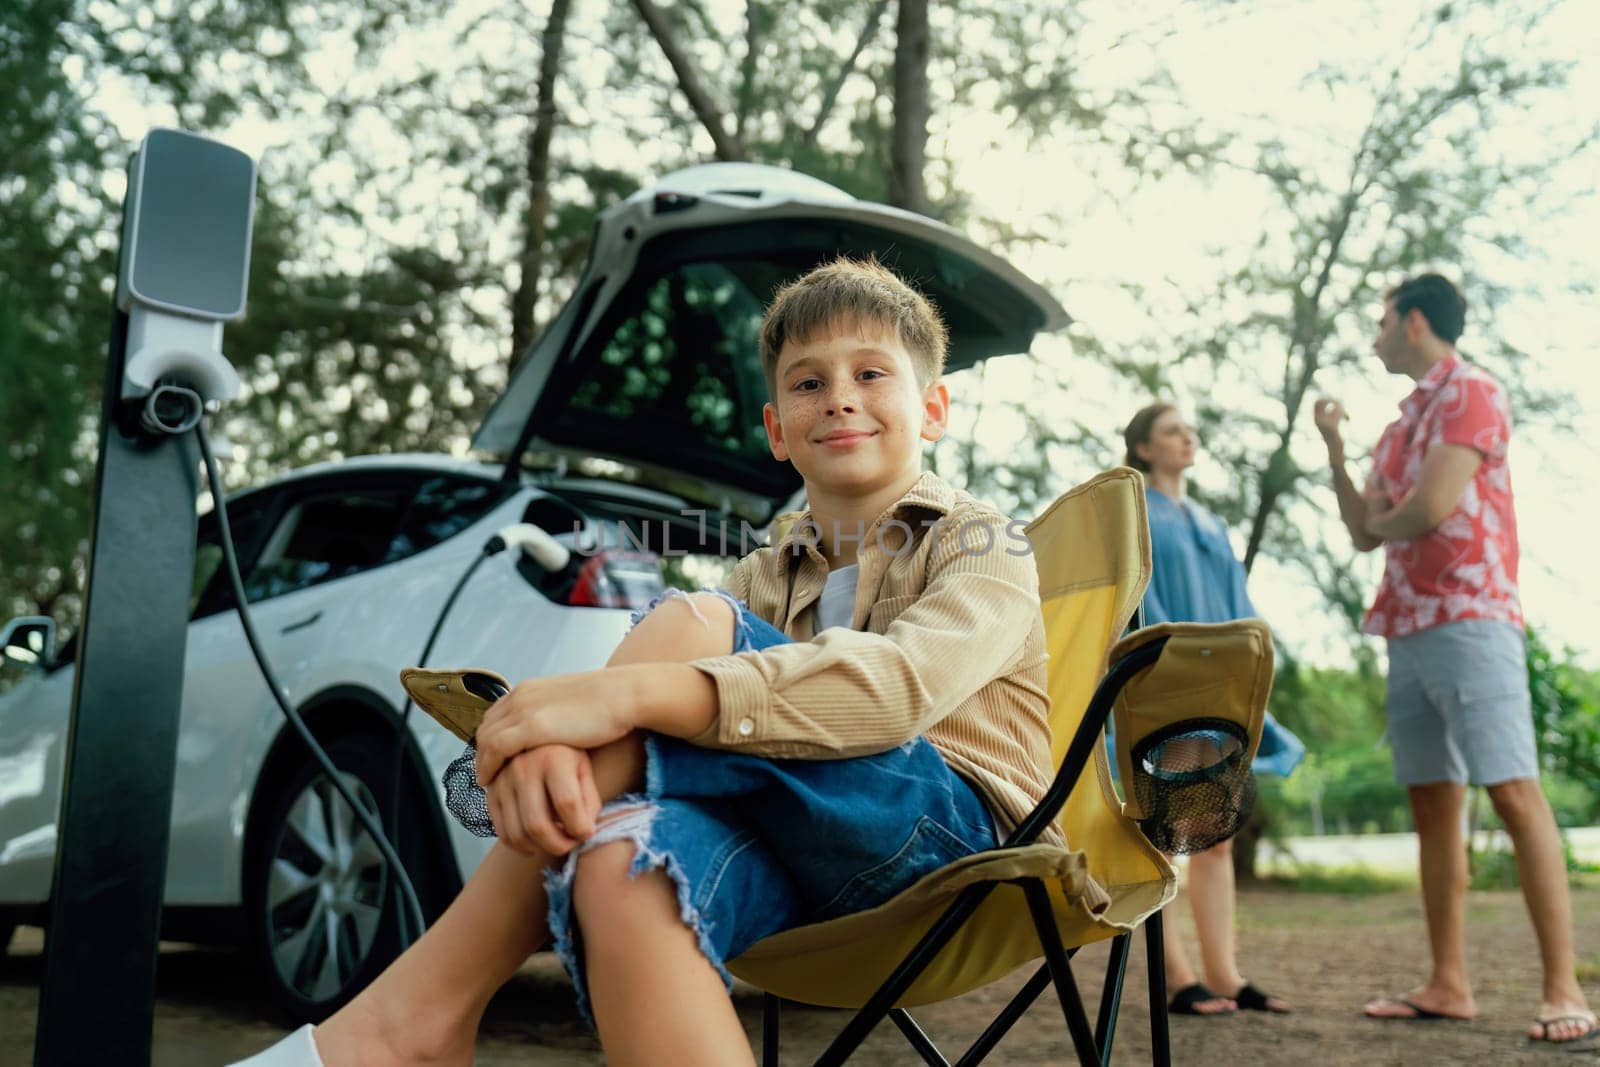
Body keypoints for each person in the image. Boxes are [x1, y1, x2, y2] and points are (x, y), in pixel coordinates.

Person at [233, 258, 1056, 1067]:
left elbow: (896, 691)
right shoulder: (766, 574)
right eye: (807, 383)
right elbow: (713, 741)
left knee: (691, 619)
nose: (838, 395)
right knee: (620, 855)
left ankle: (405, 1025)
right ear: (775, 429)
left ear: (935, 409)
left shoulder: (980, 540)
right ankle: (412, 1025)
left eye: (871, 373)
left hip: (953, 841)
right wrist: (584, 727)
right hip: (796, 855)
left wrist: (622, 697)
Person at [1315, 273, 1594, 1047]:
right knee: (1433, 806)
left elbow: (1430, 508)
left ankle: (1563, 986)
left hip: (1473, 620)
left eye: (1379, 323)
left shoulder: (1472, 389)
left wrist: (1388, 512)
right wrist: (1338, 452)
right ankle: (1449, 983)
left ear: (1412, 321)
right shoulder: (1401, 422)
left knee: (1513, 792)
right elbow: (1364, 531)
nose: (1372, 338)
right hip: (1407, 626)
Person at [1120, 402, 1305, 1019]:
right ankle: (1177, 978)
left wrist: (1248, 670)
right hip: (1170, 682)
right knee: (1166, 834)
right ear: (1144, 447)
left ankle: (1225, 976)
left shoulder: (1210, 520)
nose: (1187, 437)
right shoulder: (1133, 508)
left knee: (1216, 836)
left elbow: (1238, 601)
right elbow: (1134, 595)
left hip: (1221, 685)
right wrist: (1170, 666)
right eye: (1172, 430)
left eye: (1189, 429)